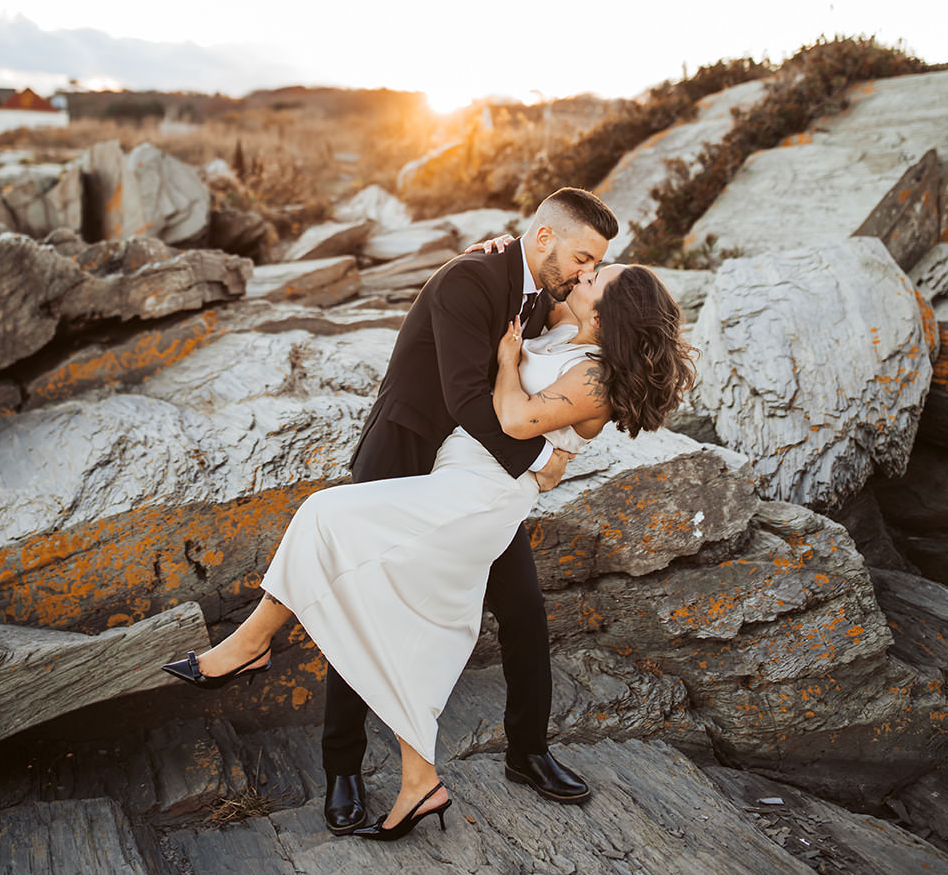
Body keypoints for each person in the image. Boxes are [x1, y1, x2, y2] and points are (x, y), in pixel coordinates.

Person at [163, 257, 696, 842]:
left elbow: (517, 417)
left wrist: (507, 366)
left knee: (326, 520)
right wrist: (546, 451)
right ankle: (416, 779)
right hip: (444, 468)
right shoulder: (554, 321)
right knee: (405, 619)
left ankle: (250, 644)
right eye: (585, 264)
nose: (584, 275)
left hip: (473, 497)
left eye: (596, 277)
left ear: (607, 314)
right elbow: (506, 322)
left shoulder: (594, 374)